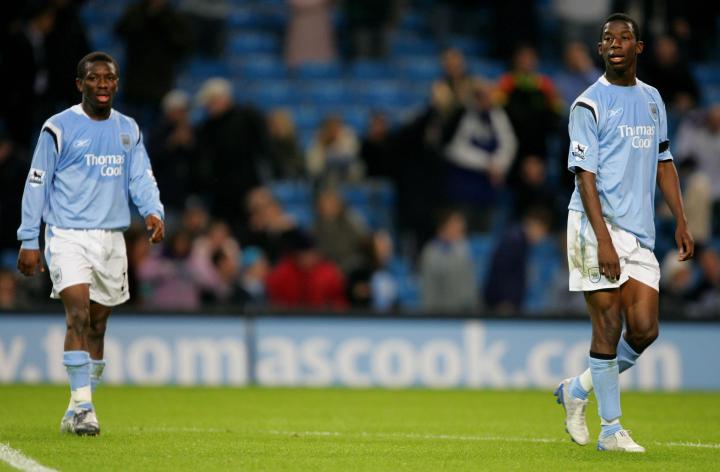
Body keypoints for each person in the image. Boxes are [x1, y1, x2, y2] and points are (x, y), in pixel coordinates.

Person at [554, 14, 694, 453]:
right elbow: (584, 177)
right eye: (607, 38)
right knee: (609, 323)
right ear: (600, 50)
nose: (615, 43)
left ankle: (577, 388)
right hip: (594, 225)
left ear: (639, 48)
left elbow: (664, 160)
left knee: (645, 330)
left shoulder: (653, 99)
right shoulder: (588, 104)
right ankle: (610, 430)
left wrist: (682, 219)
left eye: (624, 37)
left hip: (639, 230)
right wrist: (603, 240)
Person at [16, 52, 165, 436]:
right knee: (78, 315)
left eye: (109, 78)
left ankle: (77, 407)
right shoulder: (58, 128)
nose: (103, 84)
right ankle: (84, 409)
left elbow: (141, 176)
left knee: (97, 325)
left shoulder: (128, 128)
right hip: (68, 234)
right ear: (79, 84)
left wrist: (153, 211)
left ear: (116, 83)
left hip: (111, 238)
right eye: (94, 78)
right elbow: (37, 183)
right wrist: (29, 238)